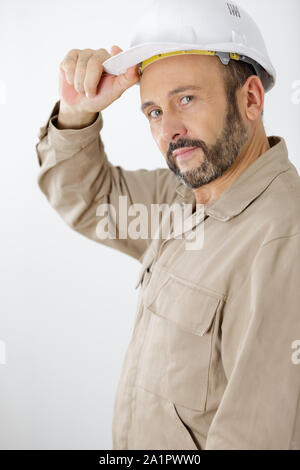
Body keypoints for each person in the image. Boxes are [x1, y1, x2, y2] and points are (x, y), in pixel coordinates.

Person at [35, 0, 300, 450]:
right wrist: (77, 112)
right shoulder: (184, 199)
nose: (168, 129)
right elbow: (90, 199)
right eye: (154, 111)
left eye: (186, 99)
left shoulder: (282, 242)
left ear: (251, 99)